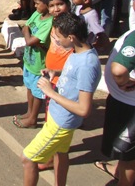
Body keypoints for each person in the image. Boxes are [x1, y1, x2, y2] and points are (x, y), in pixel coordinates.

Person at [21, 13, 101, 186]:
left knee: (28, 158)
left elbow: (84, 109)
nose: (55, 40)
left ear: (71, 37)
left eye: (58, 37)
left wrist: (51, 93)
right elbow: (74, 76)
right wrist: (55, 72)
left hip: (61, 122)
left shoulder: (87, 65)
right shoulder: (80, 51)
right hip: (59, 117)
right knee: (61, 153)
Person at [95, 27, 135, 185]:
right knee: (125, 154)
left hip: (128, 107)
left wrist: (123, 82)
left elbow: (119, 71)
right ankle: (119, 171)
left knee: (129, 157)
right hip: (125, 103)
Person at [13, 0, 52, 129]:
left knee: (37, 94)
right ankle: (29, 112)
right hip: (29, 61)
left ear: (47, 4)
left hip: (40, 65)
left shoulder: (49, 23)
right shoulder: (37, 14)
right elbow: (25, 27)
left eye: (37, 3)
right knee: (29, 88)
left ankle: (33, 118)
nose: (35, 6)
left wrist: (27, 33)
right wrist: (28, 33)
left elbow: (29, 38)